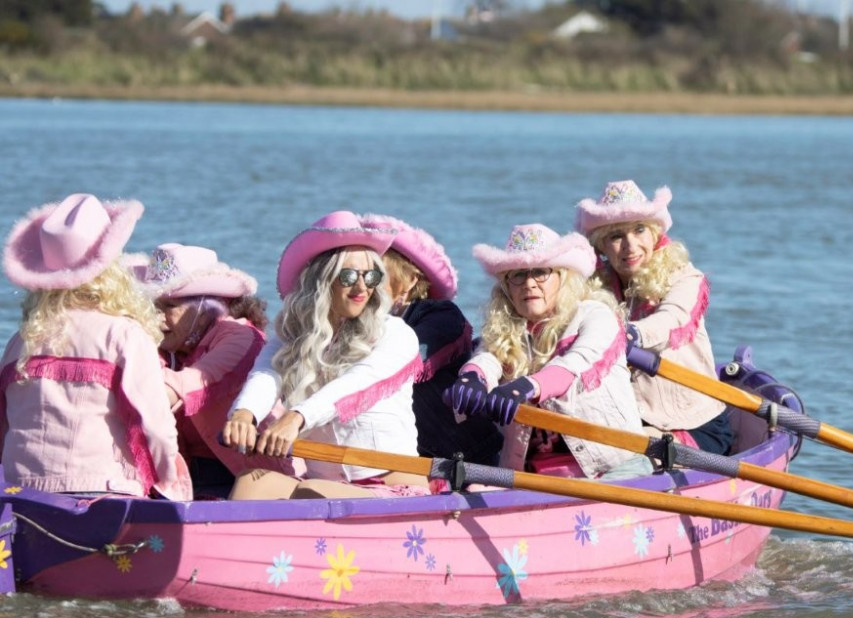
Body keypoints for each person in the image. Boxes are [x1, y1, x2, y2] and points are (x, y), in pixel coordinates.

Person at [222, 210, 427, 499]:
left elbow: (353, 385)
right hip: (324, 485)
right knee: (250, 482)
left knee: (311, 492)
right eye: (348, 275)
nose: (362, 287)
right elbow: (266, 373)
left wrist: (296, 418)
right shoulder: (293, 335)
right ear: (321, 280)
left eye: (371, 276)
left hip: (394, 486)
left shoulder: (397, 334)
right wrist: (244, 414)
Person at [0, 193, 189, 500]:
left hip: (20, 490)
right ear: (110, 270)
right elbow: (154, 425)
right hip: (101, 490)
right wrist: (170, 483)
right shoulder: (123, 334)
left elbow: (5, 421)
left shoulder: (21, 340)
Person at [446, 223, 652, 480]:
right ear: (507, 288)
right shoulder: (505, 331)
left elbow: (576, 365)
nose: (529, 284)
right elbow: (487, 357)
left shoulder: (596, 315)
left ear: (562, 278)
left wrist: (527, 386)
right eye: (518, 275)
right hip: (532, 476)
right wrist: (473, 377)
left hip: (614, 468)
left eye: (541, 272)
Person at [575, 179, 733, 455]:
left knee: (623, 457)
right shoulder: (588, 290)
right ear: (601, 246)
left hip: (692, 424)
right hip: (623, 423)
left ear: (655, 235)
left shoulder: (685, 277)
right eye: (616, 236)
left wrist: (629, 335)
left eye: (639, 231)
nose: (630, 245)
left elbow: (671, 320)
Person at [131, 243, 301, 495]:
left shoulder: (241, 337)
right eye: (153, 306)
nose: (156, 318)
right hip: (193, 476)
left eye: (168, 307)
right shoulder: (166, 347)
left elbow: (190, 384)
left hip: (260, 475)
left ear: (206, 309)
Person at [360, 213, 503, 465]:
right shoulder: (354, 325)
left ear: (409, 280)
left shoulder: (441, 316)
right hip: (406, 455)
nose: (363, 286)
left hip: (468, 457)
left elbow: (400, 364)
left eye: (375, 276)